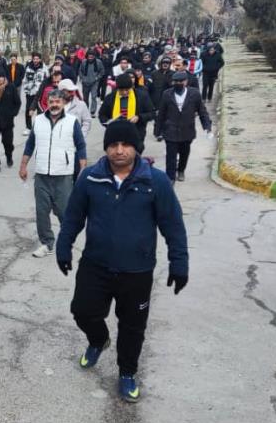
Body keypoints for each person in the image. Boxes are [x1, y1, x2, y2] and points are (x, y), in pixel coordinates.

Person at [56, 119, 188, 403]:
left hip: (136, 271)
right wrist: (63, 246)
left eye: (125, 145)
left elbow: (173, 226)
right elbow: (74, 217)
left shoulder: (156, 181)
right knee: (82, 311)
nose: (119, 151)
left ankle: (127, 372)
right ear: (106, 149)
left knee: (132, 327)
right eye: (113, 145)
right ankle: (98, 339)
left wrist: (180, 263)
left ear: (136, 148)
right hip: (96, 264)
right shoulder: (90, 177)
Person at [19, 89, 87, 257]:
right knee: (42, 212)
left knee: (64, 212)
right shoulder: (39, 121)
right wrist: (23, 165)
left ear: (63, 103)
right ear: (46, 103)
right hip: (42, 175)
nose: (54, 105)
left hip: (63, 175)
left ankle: (66, 241)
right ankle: (47, 244)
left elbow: (81, 146)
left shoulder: (72, 122)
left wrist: (83, 171)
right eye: (51, 102)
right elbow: (30, 144)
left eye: (57, 102)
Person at [154, 71, 212, 183]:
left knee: (184, 153)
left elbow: (202, 111)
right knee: (171, 156)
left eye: (181, 81)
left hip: (187, 130)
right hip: (171, 130)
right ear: (172, 82)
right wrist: (158, 130)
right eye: (176, 81)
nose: (178, 83)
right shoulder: (167, 94)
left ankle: (181, 170)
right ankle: (170, 177)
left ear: (186, 82)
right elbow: (161, 114)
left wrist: (207, 126)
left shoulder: (194, 94)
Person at [98, 73, 156, 143]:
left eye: (127, 90)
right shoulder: (110, 98)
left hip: (136, 133)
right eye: (121, 90)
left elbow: (152, 113)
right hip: (115, 134)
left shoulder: (142, 96)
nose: (125, 92)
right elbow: (102, 115)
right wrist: (109, 122)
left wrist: (139, 117)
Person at [22, 53, 47, 134]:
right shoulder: (28, 67)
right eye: (34, 59)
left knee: (40, 111)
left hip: (39, 93)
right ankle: (28, 128)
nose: (35, 60)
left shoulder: (44, 68)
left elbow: (47, 79)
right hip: (29, 93)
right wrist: (26, 89)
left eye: (37, 59)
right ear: (32, 59)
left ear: (40, 59)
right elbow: (25, 79)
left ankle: (39, 127)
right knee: (28, 111)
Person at [78, 49, 104, 116]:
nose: (90, 58)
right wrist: (82, 78)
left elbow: (102, 71)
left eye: (92, 57)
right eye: (89, 57)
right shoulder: (84, 62)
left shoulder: (98, 62)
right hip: (85, 83)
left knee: (93, 96)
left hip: (94, 83)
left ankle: (93, 111)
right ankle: (86, 110)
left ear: (94, 56)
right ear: (87, 56)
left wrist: (97, 77)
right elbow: (80, 71)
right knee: (85, 98)